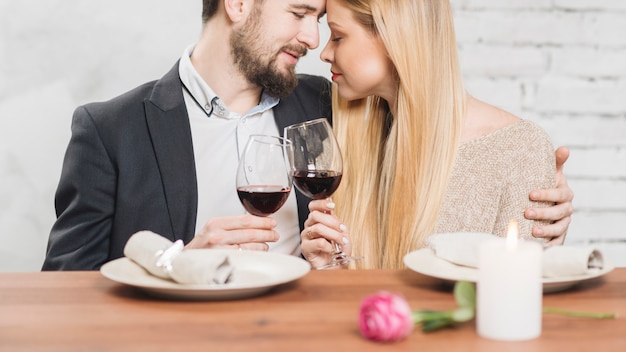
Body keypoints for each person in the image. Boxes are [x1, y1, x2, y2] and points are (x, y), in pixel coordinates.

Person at [43, 0, 571, 271]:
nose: (313, 38)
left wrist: (539, 192)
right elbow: (64, 289)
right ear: (240, 4)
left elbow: (442, 135)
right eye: (298, 12)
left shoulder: (335, 102)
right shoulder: (110, 130)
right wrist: (175, 263)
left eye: (321, 20)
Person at [300, 0, 574, 269]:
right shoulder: (342, 143)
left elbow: (520, 293)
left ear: (392, 35)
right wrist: (330, 269)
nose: (324, 52)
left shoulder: (519, 150)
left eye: (337, 36)